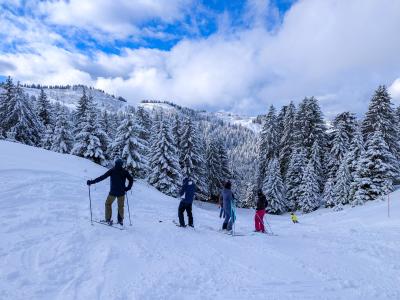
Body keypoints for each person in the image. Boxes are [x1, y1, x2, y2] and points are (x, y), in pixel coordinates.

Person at [87, 158, 133, 226]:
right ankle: (120, 221)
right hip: (121, 192)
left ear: (115, 163)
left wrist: (91, 182)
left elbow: (102, 177)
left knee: (108, 204)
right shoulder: (125, 171)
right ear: (122, 164)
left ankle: (108, 219)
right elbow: (131, 179)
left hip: (113, 192)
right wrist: (127, 188)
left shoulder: (112, 170)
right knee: (121, 206)